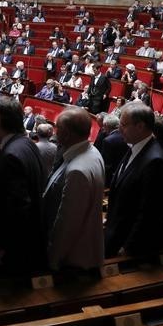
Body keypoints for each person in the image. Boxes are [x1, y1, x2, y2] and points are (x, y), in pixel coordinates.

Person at [0, 97, 47, 275]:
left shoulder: (12, 154)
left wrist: (1, 246)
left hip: (13, 252)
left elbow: (18, 207)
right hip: (30, 242)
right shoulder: (27, 144)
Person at [43, 107, 106, 271]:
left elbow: (68, 223)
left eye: (58, 128)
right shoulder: (92, 151)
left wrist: (53, 259)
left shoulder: (77, 170)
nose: (55, 132)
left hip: (73, 258)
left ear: (66, 134)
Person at [105, 103, 163, 257]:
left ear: (140, 126)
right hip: (115, 232)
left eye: (123, 125)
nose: (119, 129)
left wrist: (128, 247)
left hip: (126, 244)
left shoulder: (155, 160)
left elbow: (149, 211)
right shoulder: (135, 147)